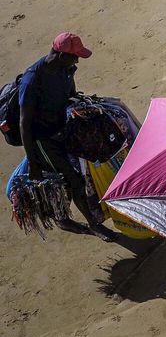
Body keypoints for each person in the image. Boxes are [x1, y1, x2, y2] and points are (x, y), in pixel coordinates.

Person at [17, 33, 115, 241]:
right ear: (60, 54)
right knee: (74, 178)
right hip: (42, 139)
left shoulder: (66, 68)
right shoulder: (32, 79)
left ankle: (61, 216)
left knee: (68, 178)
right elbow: (24, 124)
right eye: (74, 56)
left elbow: (71, 95)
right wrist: (33, 162)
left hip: (63, 130)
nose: (77, 60)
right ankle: (94, 225)